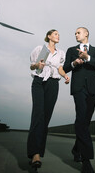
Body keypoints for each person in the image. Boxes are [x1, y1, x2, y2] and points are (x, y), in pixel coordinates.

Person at [63, 27, 95, 173]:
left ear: (86, 34)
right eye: (74, 33)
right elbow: (65, 67)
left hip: (93, 88)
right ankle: (86, 160)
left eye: (78, 32)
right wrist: (75, 63)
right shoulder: (71, 50)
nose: (75, 34)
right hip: (79, 88)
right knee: (81, 118)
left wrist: (87, 57)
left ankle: (76, 149)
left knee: (85, 121)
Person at [27, 29, 70, 169]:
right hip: (39, 81)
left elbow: (60, 68)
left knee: (46, 118)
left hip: (53, 84)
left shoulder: (61, 53)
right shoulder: (40, 49)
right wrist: (37, 65)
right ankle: (35, 154)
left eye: (59, 34)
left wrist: (65, 76)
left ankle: (39, 151)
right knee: (38, 114)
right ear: (49, 36)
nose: (58, 36)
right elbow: (32, 65)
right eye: (56, 34)